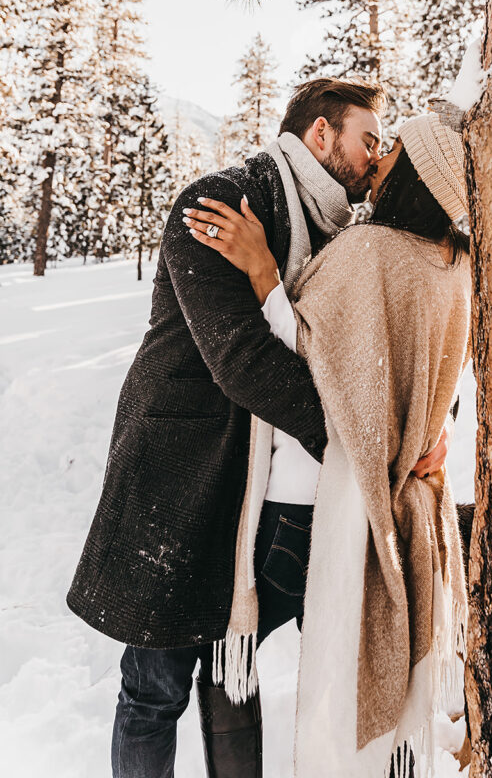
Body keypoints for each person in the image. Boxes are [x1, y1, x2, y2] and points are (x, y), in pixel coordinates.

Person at [66, 76, 446, 778]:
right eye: (367, 139)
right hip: (183, 478)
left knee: (229, 674)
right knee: (154, 687)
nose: (374, 156)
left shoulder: (342, 231)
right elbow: (239, 359)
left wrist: (416, 427)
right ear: (321, 134)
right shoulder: (218, 202)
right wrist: (368, 447)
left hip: (261, 490)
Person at [186, 108, 472, 777]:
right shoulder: (453, 264)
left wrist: (260, 269)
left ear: (416, 174)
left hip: (311, 499)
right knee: (351, 667)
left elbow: (313, 362)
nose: (377, 158)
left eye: (391, 150)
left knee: (229, 656)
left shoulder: (368, 252)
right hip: (401, 510)